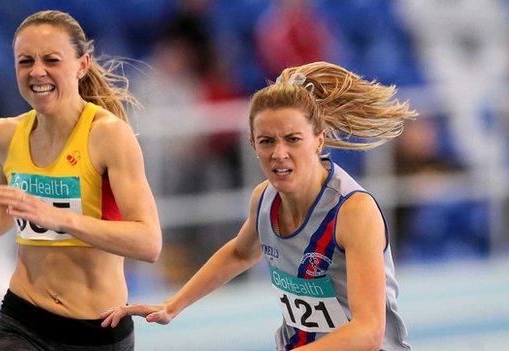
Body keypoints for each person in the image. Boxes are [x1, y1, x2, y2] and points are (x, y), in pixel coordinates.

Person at [101, 61, 416, 350]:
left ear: (319, 139)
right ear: (252, 145)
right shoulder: (265, 199)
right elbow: (239, 252)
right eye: (267, 141)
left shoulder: (353, 212)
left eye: (293, 139)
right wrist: (173, 304)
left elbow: (369, 331)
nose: (279, 153)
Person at [0, 10, 162, 351]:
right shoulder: (6, 133)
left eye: (51, 60)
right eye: (25, 61)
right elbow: (4, 210)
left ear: (82, 65)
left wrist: (61, 219)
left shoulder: (108, 136)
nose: (37, 71)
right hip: (22, 320)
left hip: (98, 331)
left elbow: (148, 243)